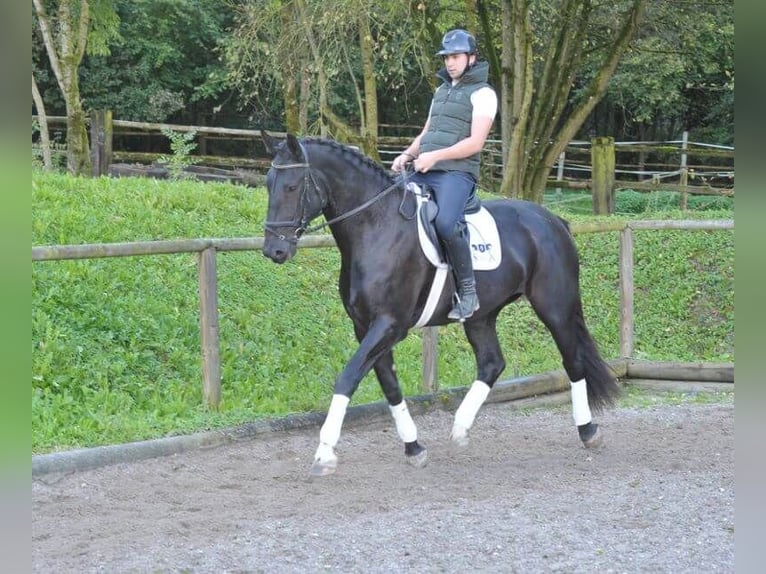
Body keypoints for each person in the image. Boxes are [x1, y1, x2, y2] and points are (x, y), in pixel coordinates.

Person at [391, 28, 497, 321]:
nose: (450, 62)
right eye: (447, 57)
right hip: (425, 166)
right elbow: (428, 132)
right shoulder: (441, 91)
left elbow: (476, 143)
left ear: (471, 58)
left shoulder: (484, 94)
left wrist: (435, 156)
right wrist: (407, 155)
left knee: (447, 223)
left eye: (455, 56)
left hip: (457, 173)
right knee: (393, 207)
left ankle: (468, 292)